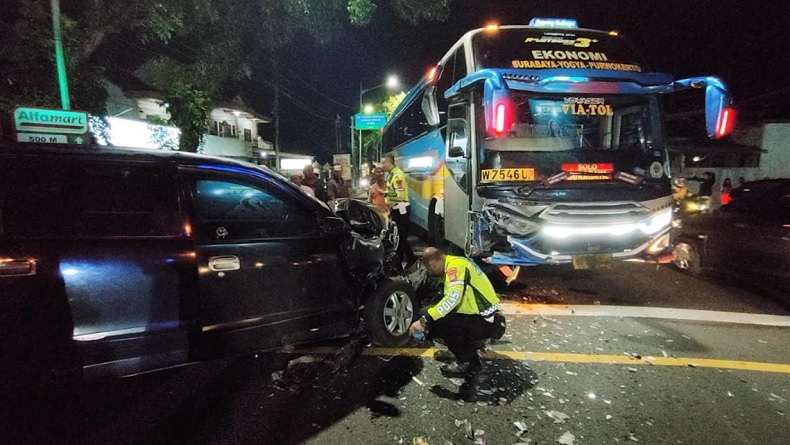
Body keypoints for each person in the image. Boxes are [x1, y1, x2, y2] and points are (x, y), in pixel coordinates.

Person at [409, 247, 503, 395]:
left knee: (441, 324)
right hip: (479, 315)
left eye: (429, 268)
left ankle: (467, 360)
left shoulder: (454, 268)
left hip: (486, 320)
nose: (430, 272)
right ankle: (472, 344)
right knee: (431, 314)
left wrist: (424, 320)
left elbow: (453, 298)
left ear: (433, 262)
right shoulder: (456, 262)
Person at [382, 153, 417, 267]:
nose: (383, 165)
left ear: (389, 162)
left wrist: (385, 195)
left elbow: (399, 195)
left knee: (401, 237)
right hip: (396, 209)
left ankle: (410, 259)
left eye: (384, 163)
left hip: (400, 209)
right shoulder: (391, 175)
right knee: (398, 237)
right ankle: (400, 260)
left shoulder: (397, 175)